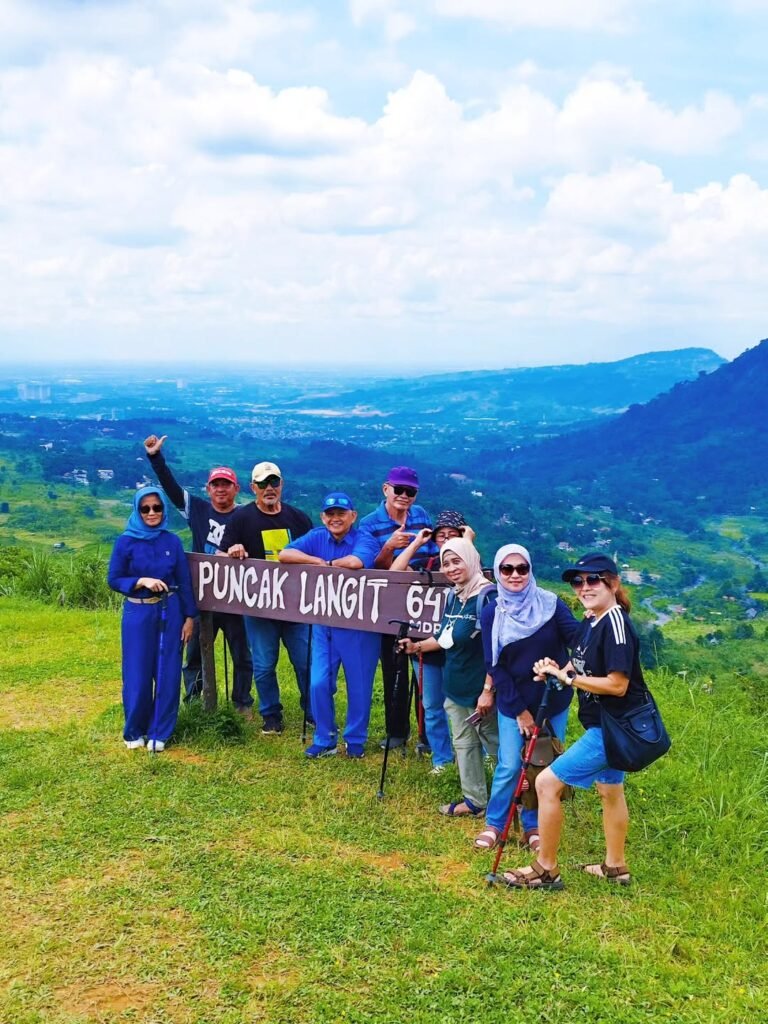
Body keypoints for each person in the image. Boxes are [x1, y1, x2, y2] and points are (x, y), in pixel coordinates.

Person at [501, 553, 644, 890]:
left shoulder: (616, 623)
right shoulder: (592, 621)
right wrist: (557, 670)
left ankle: (546, 869)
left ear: (613, 582)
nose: (584, 587)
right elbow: (580, 667)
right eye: (578, 581)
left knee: (547, 783)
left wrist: (568, 681)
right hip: (605, 724)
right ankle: (616, 867)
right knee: (610, 790)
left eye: (593, 579)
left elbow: (617, 684)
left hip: (614, 727)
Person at [472, 544, 579, 853]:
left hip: (552, 698)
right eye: (507, 569)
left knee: (542, 764)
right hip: (512, 699)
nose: (515, 574)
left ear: (530, 570)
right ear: (498, 573)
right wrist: (520, 711)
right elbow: (494, 664)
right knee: (508, 765)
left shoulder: (551, 604)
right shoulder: (493, 610)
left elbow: (577, 640)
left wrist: (568, 667)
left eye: (522, 568)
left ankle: (532, 825)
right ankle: (495, 822)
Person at [143, 433, 254, 714]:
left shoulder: (245, 516)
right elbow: (170, 488)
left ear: (236, 489)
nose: (221, 490)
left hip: (234, 597)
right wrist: (155, 458)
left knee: (241, 653)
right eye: (216, 485)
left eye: (226, 485)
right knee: (193, 653)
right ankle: (193, 701)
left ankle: (242, 702)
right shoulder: (198, 510)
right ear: (207, 489)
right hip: (199, 596)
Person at [399, 537, 499, 816]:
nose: (452, 568)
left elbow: (499, 648)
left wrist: (488, 689)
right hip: (454, 687)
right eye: (446, 563)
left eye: (457, 561)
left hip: (480, 690)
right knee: (464, 745)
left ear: (471, 559)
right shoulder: (454, 596)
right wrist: (416, 646)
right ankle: (475, 802)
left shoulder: (488, 598)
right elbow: (445, 637)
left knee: (498, 748)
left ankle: (514, 802)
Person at [279, 492, 381, 758]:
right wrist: (315, 562)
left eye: (341, 513)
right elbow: (285, 554)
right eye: (330, 514)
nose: (335, 518)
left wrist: (330, 565)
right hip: (324, 623)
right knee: (318, 682)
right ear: (323, 516)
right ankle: (325, 738)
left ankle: (355, 740)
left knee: (359, 685)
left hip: (359, 626)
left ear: (353, 516)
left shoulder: (364, 539)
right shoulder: (316, 536)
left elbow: (357, 562)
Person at [220, 461, 313, 735]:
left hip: (297, 606)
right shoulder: (240, 519)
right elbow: (220, 555)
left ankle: (313, 711)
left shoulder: (298, 519)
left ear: (281, 484)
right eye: (262, 483)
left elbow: (314, 552)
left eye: (273, 482)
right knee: (263, 665)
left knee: (305, 662)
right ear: (253, 488)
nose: (269, 488)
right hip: (259, 607)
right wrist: (232, 551)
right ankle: (271, 716)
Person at [107, 487, 197, 752]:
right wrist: (140, 581)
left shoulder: (172, 541)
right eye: (145, 508)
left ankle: (161, 730)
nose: (152, 513)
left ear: (163, 509)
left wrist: (190, 617)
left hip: (171, 611)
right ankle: (135, 729)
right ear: (137, 511)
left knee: (168, 672)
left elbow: (184, 581)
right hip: (138, 612)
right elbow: (114, 578)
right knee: (137, 672)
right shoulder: (125, 542)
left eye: (157, 507)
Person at [356, 466, 438, 747]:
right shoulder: (368, 524)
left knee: (425, 670)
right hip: (388, 606)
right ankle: (396, 732)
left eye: (410, 491)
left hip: (423, 604)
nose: (404, 496)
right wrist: (389, 547)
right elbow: (371, 569)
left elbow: (432, 556)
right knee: (394, 669)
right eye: (399, 489)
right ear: (386, 489)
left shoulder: (422, 515)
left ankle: (427, 735)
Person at [389, 510, 476, 773]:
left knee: (467, 705)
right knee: (432, 706)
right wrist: (417, 542)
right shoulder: (426, 564)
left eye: (454, 535)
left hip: (460, 650)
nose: (446, 540)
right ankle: (442, 758)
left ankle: (476, 754)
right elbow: (395, 573)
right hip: (426, 646)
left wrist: (467, 541)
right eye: (442, 536)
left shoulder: (471, 569)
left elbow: (472, 568)